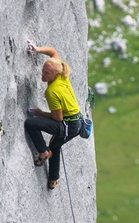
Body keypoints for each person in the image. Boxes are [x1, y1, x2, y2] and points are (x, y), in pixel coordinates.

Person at [24, 39, 81, 190]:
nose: (42, 74)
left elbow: (58, 118)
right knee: (55, 147)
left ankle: (43, 153)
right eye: (43, 70)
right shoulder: (62, 74)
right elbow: (53, 52)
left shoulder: (52, 91)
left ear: (55, 74)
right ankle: (53, 179)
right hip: (75, 121)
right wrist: (37, 49)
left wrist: (40, 113)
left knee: (31, 124)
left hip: (67, 125)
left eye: (46, 73)